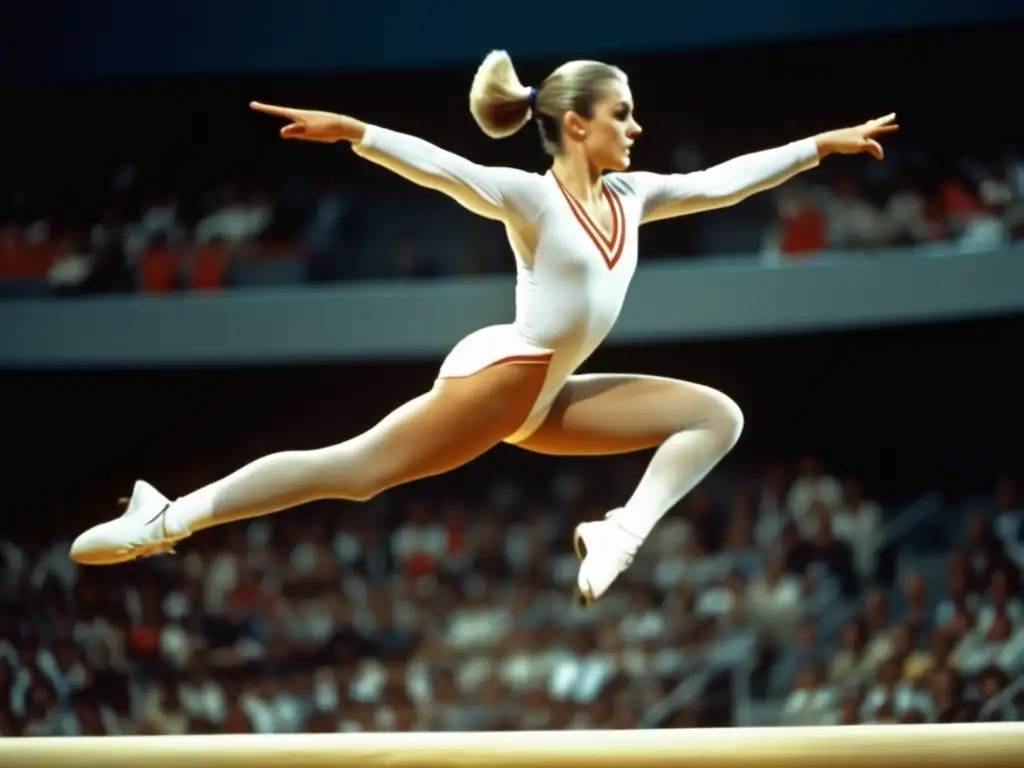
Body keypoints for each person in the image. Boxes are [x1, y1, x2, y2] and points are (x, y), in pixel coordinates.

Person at [69, 51, 897, 603]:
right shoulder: (536, 198)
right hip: (505, 370)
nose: (637, 129)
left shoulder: (631, 198)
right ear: (577, 123)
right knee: (353, 471)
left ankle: (619, 530)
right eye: (624, 114)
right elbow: (446, 169)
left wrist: (817, 146)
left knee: (716, 415)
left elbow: (722, 183)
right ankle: (165, 518)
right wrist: (356, 133)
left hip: (541, 399)